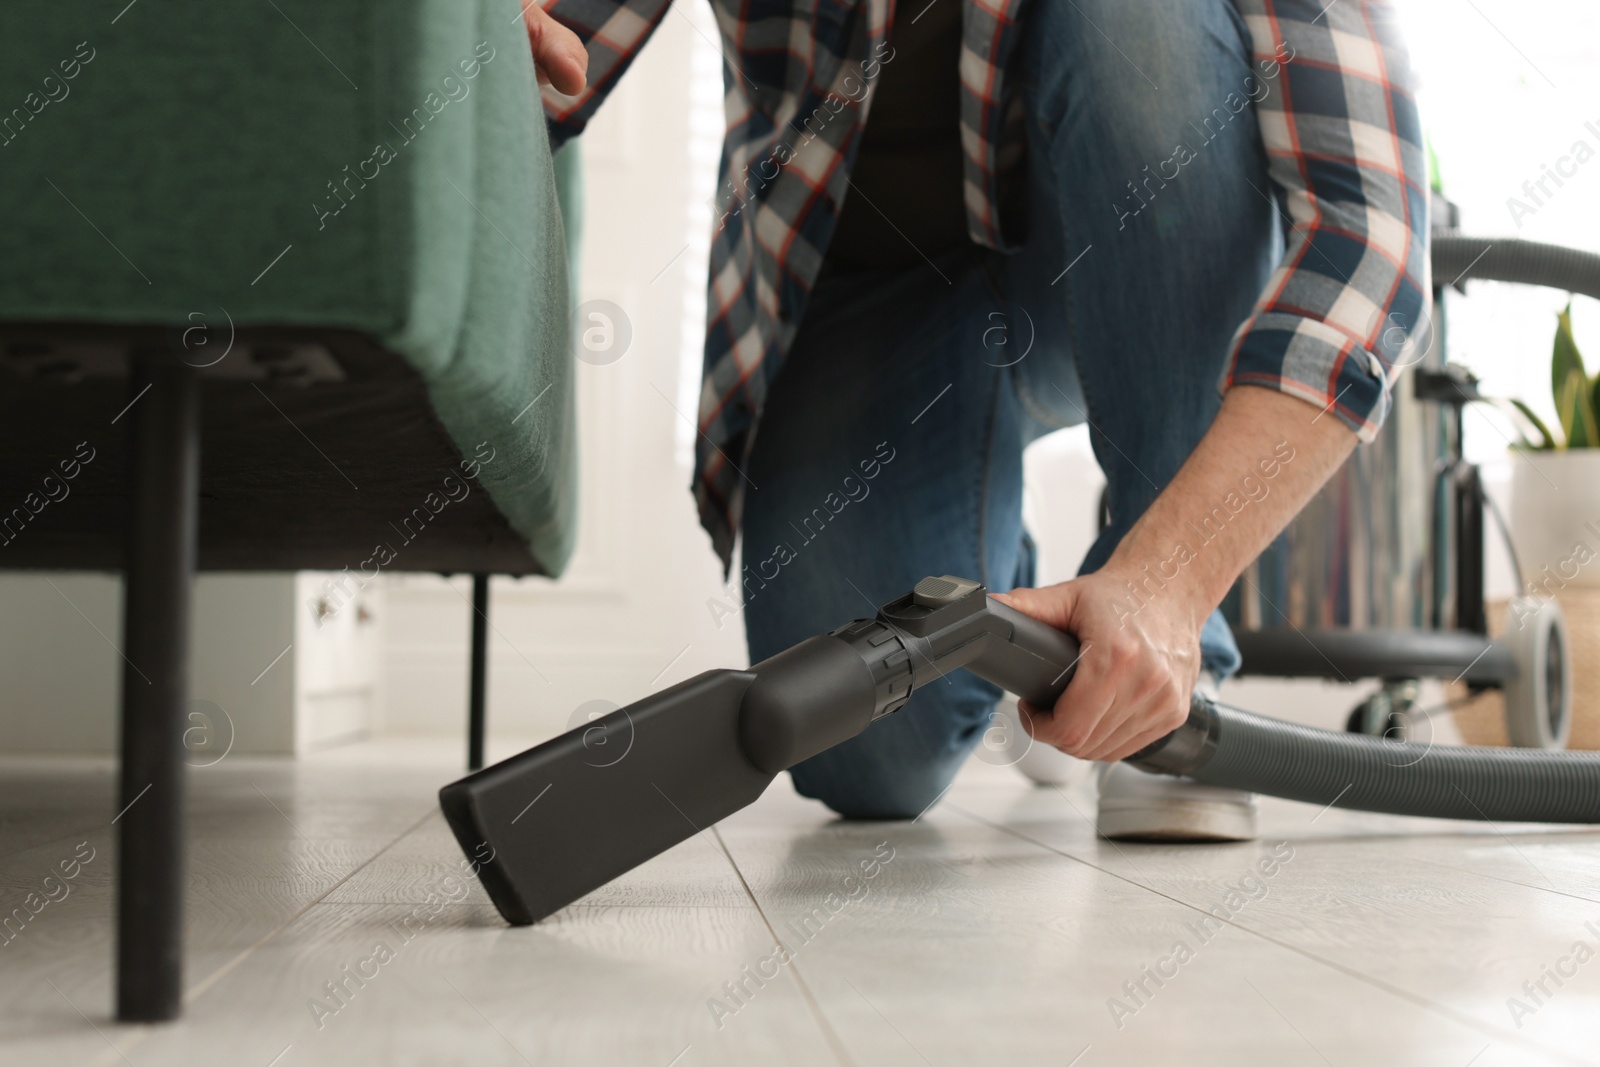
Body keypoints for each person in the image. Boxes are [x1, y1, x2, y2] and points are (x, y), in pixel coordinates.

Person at [523, 0, 1429, 839]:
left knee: (1139, 24)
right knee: (864, 760)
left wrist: (1170, 579)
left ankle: (1164, 678)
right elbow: (546, 50)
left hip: (1111, 272)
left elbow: (1370, 233)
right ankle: (1039, 621)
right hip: (877, 294)